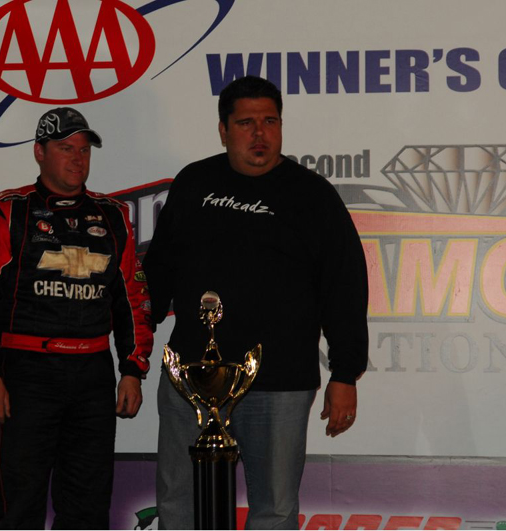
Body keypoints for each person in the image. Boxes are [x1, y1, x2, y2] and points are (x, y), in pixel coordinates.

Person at [143, 76, 369, 529]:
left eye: (270, 121)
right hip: (191, 377)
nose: (260, 133)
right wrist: (132, 354)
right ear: (223, 130)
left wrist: (345, 373)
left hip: (280, 382)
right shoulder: (194, 183)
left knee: (275, 508)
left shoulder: (312, 195)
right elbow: (158, 274)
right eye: (246, 123)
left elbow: (344, 287)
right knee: (178, 500)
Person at [0, 107, 154, 529]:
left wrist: (132, 369)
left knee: (88, 510)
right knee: (20, 508)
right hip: (27, 374)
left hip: (93, 375)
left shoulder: (113, 215)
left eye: (84, 149)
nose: (78, 158)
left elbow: (133, 299)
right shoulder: (7, 210)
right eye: (66, 148)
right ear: (39, 152)